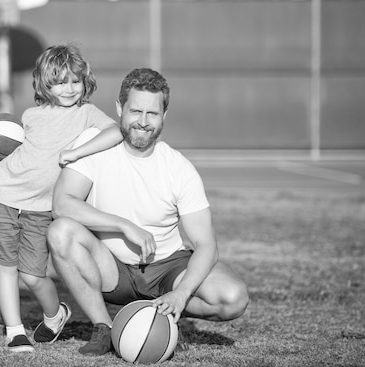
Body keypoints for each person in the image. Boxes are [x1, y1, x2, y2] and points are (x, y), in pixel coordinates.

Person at [47, 68, 250, 356]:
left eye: (152, 114)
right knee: (61, 231)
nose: (142, 122)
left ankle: (163, 312)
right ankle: (103, 327)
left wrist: (180, 294)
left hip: (167, 267)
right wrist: (122, 225)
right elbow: (62, 204)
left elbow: (206, 244)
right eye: (135, 111)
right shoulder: (93, 145)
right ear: (120, 108)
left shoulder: (178, 168)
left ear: (164, 116)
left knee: (233, 298)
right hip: (112, 267)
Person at [0, 44, 123, 352]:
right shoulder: (30, 116)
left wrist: (77, 152)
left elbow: (116, 131)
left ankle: (55, 316)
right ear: (45, 83)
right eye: (59, 81)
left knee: (33, 275)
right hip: (1, 194)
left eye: (74, 80)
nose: (68, 88)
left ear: (85, 81)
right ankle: (15, 331)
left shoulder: (86, 114)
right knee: (7, 266)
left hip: (40, 209)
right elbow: (28, 159)